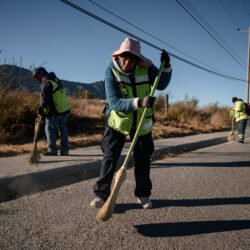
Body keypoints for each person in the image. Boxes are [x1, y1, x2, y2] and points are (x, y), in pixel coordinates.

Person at [90, 37, 172, 209]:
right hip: (117, 121)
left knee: (143, 159)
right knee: (110, 157)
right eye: (123, 57)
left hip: (142, 122)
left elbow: (162, 84)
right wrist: (139, 102)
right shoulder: (110, 71)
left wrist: (166, 67)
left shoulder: (146, 68)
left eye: (131, 58)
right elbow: (114, 102)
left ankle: (143, 194)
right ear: (118, 55)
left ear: (137, 59)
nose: (126, 61)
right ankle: (101, 195)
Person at [32, 67, 71, 155]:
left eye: (37, 76)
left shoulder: (46, 82)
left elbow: (45, 99)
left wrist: (40, 109)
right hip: (64, 108)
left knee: (49, 128)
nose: (37, 79)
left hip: (55, 110)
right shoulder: (55, 79)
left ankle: (52, 150)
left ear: (41, 73)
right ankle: (65, 150)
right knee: (63, 129)